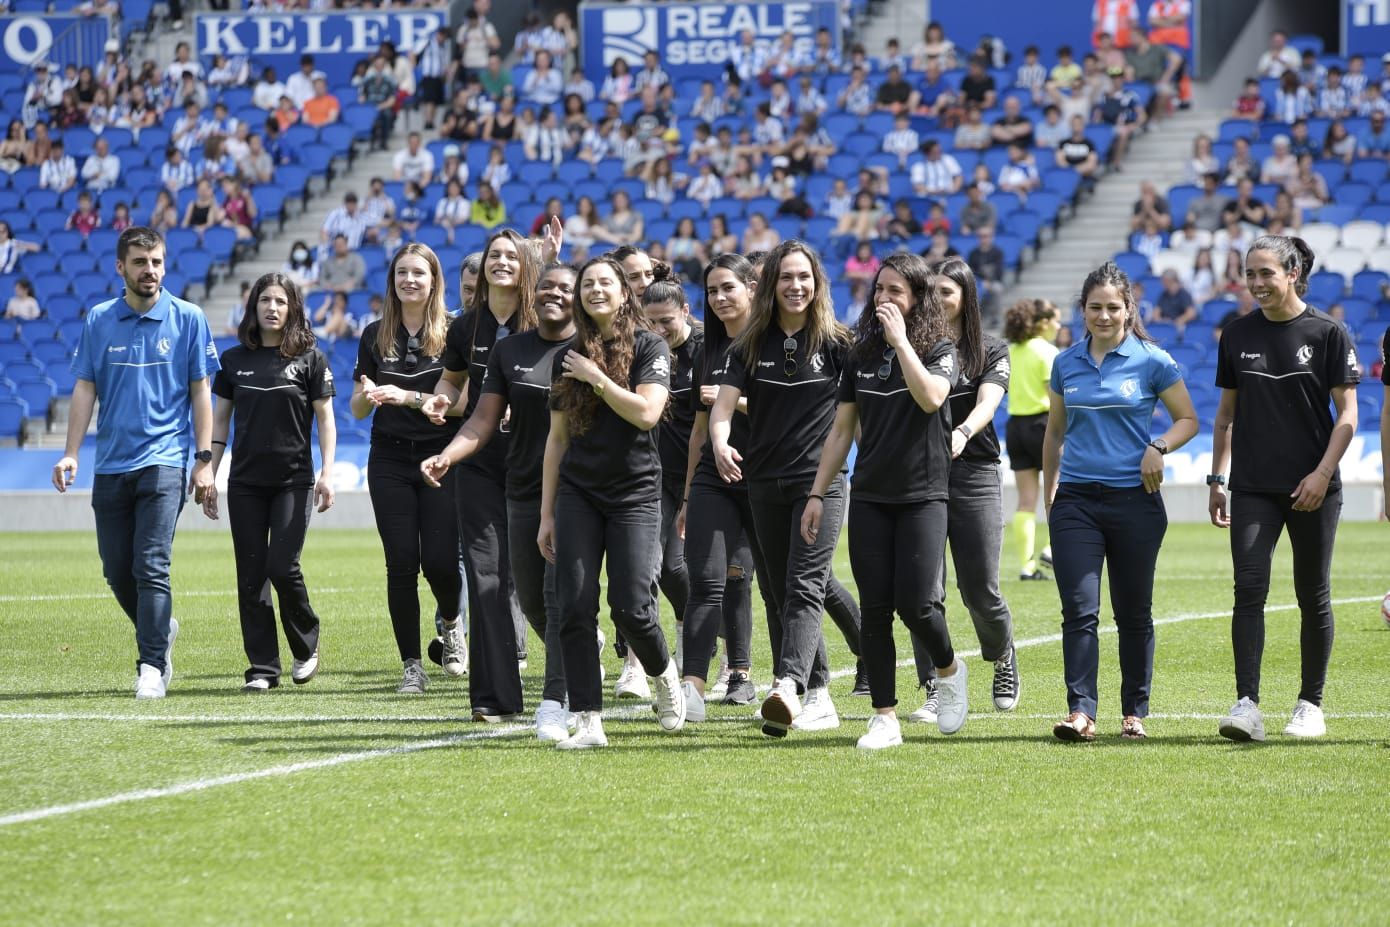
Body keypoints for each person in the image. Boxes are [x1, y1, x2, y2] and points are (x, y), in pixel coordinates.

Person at [800, 253, 969, 749]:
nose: (884, 299)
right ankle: (885, 716)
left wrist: (900, 343)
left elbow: (933, 397)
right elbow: (841, 430)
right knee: (875, 608)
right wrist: (816, 492)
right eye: (879, 290)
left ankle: (949, 668)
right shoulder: (860, 354)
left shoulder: (940, 347)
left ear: (916, 297)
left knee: (917, 604)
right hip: (871, 494)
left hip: (924, 494)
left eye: (896, 291)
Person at [52, 227, 219, 700]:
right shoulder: (99, 319)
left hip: (165, 460)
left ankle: (150, 665)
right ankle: (161, 626)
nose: (151, 270)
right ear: (120, 267)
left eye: (158, 262)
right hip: (110, 464)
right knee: (115, 569)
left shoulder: (188, 318)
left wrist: (203, 460)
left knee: (151, 563)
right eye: (141, 262)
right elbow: (85, 387)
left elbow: (200, 392)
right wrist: (70, 452)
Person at [421, 264, 579, 741]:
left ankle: (562, 694)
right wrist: (446, 454)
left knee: (563, 594)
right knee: (516, 593)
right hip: (508, 482)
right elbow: (476, 415)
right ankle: (497, 695)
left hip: (575, 485)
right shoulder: (492, 340)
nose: (502, 265)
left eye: (563, 287)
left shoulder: (587, 344)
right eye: (495, 255)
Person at [1211, 237, 1360, 742]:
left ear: (1292, 272)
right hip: (1252, 486)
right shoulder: (1235, 334)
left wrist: (1321, 475)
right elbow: (1226, 417)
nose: (1256, 284)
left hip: (1314, 488)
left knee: (1311, 594)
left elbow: (1349, 417)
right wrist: (1217, 479)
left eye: (1266, 273)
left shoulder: (1328, 332)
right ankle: (1246, 705)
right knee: (1248, 589)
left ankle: (1310, 704)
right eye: (1249, 274)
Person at [1042, 261, 1198, 741]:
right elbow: (1054, 432)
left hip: (1137, 503)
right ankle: (1081, 712)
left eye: (1114, 307)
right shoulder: (1065, 362)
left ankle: (1135, 713)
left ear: (1129, 309)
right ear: (1082, 311)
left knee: (1133, 612)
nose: (1104, 316)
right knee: (1079, 608)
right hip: (1076, 504)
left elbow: (1188, 420)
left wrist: (1159, 447)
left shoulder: (1153, 359)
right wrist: (1050, 495)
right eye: (1095, 308)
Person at [538, 256, 686, 748]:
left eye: (606, 283)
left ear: (625, 293)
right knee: (574, 604)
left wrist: (596, 378)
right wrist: (546, 513)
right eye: (588, 285)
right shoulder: (569, 353)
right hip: (579, 492)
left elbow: (647, 413)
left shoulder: (651, 346)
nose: (595, 290)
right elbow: (556, 440)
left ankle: (663, 673)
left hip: (636, 493)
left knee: (631, 605)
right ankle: (588, 721)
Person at [710, 241, 855, 738]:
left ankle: (787, 684)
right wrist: (721, 443)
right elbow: (723, 407)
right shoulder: (749, 344)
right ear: (771, 285)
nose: (796, 286)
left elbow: (856, 418)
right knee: (774, 590)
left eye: (804, 277)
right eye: (786, 277)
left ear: (818, 284)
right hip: (762, 482)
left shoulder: (839, 343)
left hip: (821, 484)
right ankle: (818, 696)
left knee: (804, 584)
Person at [204, 273, 335, 691]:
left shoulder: (310, 359)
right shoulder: (233, 360)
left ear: (293, 308)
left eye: (281, 301)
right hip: (244, 483)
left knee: (282, 565)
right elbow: (220, 420)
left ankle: (306, 643)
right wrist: (207, 467)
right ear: (253, 306)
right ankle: (262, 668)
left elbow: (325, 419)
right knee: (251, 575)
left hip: (294, 481)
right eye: (265, 300)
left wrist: (327, 471)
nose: (272, 307)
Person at [906, 257, 1020, 725]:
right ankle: (937, 682)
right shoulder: (914, 347)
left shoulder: (990, 351)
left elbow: (989, 402)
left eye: (947, 292)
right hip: (919, 477)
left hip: (973, 474)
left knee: (980, 591)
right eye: (930, 291)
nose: (937, 299)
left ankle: (1002, 654)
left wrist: (964, 431)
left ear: (966, 297)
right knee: (922, 590)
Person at [351, 244, 461, 695]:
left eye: (419, 272)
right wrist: (370, 393)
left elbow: (462, 406)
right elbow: (358, 410)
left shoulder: (455, 332)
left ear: (434, 279)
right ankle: (411, 666)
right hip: (389, 458)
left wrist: (407, 397)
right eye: (401, 272)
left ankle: (452, 622)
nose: (409, 280)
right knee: (400, 562)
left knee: (438, 562)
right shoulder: (375, 333)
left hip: (440, 457)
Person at [678, 254, 766, 715]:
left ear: (752, 288)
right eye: (711, 291)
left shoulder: (772, 345)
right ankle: (692, 686)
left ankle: (812, 682)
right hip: (715, 475)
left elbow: (792, 415)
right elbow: (697, 432)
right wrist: (689, 496)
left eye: (728, 288)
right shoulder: (706, 352)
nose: (719, 298)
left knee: (788, 586)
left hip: (769, 477)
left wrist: (736, 402)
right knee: (708, 579)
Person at [642, 278, 700, 670]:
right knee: (656, 567)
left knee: (682, 567)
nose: (660, 331)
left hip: (702, 477)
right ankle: (688, 631)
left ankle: (710, 637)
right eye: (652, 323)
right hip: (657, 476)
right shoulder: (645, 354)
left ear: (685, 312)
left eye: (667, 321)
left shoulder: (706, 352)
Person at [1004, 298, 1061, 581]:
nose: (1059, 326)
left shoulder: (1011, 350)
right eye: (1056, 320)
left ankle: (1027, 567)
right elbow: (1056, 398)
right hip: (1042, 425)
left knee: (1026, 500)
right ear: (1043, 323)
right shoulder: (1047, 352)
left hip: (1015, 427)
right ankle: (1052, 548)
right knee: (1060, 491)